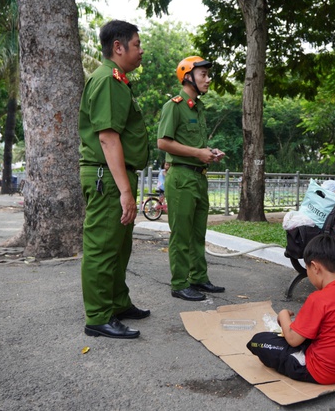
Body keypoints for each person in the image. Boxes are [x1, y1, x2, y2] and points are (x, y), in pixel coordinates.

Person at [78, 20, 150, 339]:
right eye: (136, 44)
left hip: (114, 176)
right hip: (107, 177)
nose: (141, 49)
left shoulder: (117, 80)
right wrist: (124, 190)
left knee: (119, 247)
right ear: (118, 47)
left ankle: (117, 302)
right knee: (103, 247)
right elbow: (107, 138)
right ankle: (98, 316)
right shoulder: (108, 79)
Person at [246, 234, 335, 384]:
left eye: (307, 268)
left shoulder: (319, 298)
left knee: (258, 341)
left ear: (315, 267)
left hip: (322, 371)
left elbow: (293, 340)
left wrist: (283, 316)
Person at [157, 56, 226, 301]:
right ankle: (179, 283)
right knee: (182, 233)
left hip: (198, 176)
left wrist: (209, 153)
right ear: (188, 77)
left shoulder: (198, 108)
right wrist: (198, 153)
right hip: (181, 177)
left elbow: (194, 144)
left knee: (198, 233)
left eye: (208, 75)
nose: (208, 79)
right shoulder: (174, 106)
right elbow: (163, 142)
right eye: (203, 75)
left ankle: (198, 278)